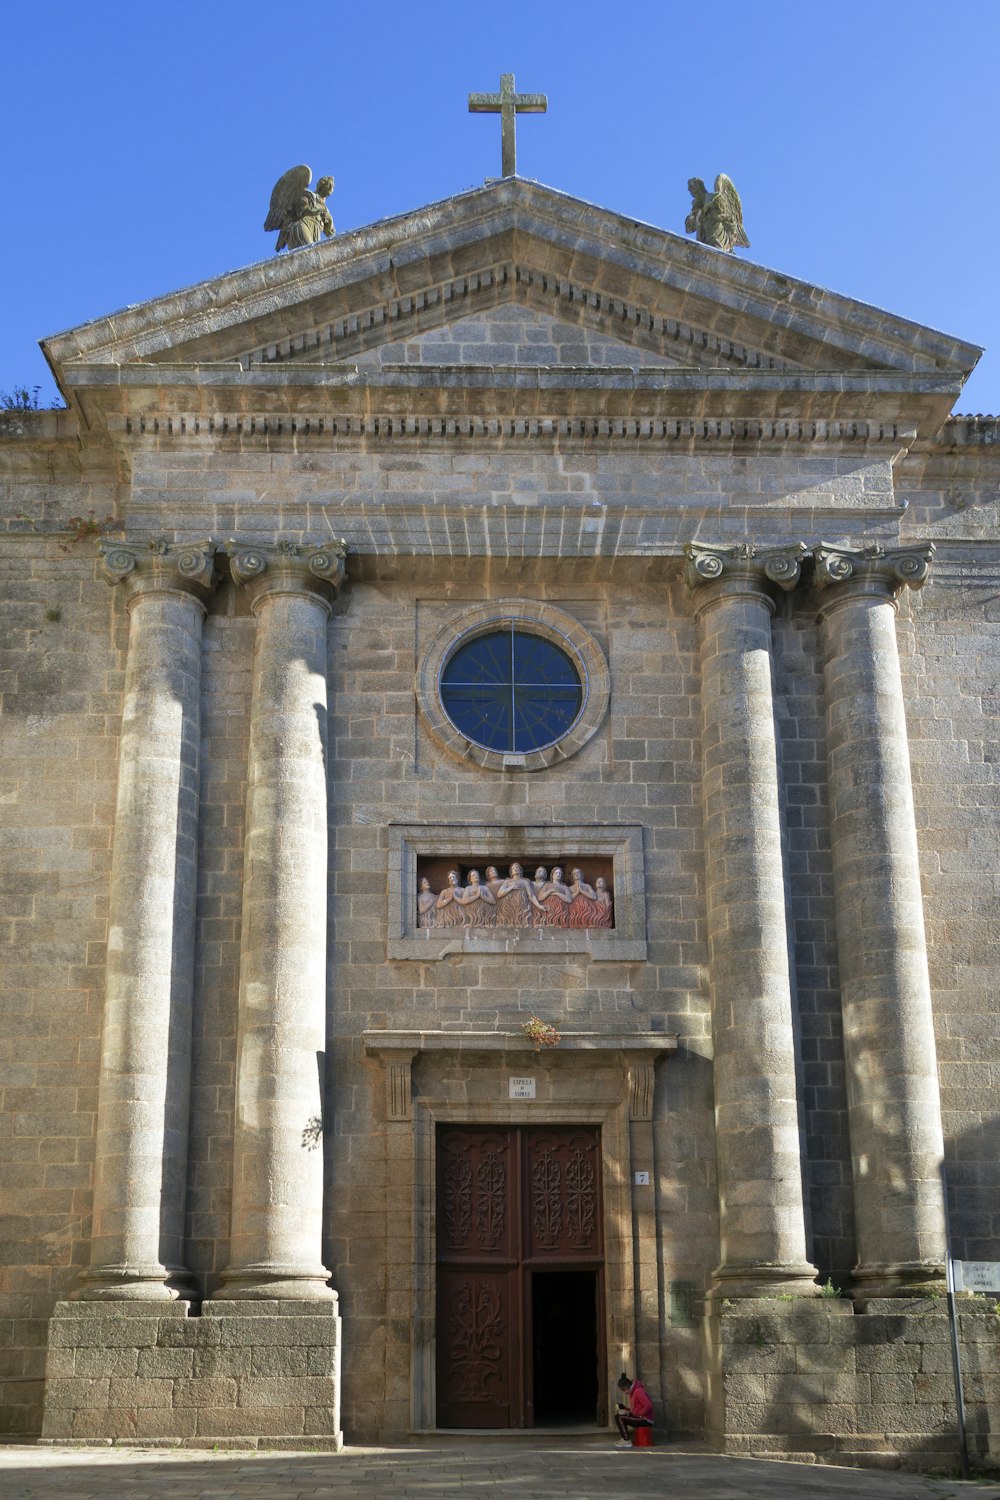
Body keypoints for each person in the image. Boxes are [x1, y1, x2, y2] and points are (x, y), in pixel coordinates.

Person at [614, 1370, 653, 1446]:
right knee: (618, 1416)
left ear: (627, 1385)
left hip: (645, 1420)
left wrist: (638, 1414)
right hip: (641, 1417)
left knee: (620, 1418)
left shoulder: (638, 1391)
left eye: (623, 1390)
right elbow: (635, 1409)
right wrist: (625, 1408)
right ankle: (625, 1438)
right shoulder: (634, 1392)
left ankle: (627, 1440)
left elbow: (649, 1405)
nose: (624, 1392)